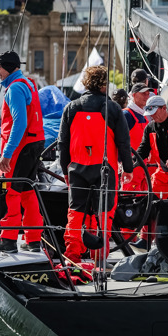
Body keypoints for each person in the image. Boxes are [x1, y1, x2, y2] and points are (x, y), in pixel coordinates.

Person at [57, 65, 134, 264]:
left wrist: (65, 168)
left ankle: (72, 257)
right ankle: (99, 259)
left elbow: (62, 144)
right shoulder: (114, 109)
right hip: (105, 169)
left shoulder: (71, 108)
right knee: (104, 214)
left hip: (77, 168)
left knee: (75, 213)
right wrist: (128, 169)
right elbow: (124, 143)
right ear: (103, 85)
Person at [0, 51, 47, 254]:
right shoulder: (29, 83)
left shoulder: (14, 89)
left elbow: (20, 123)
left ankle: (7, 240)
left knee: (9, 192)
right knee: (28, 191)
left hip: (20, 147)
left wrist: (7, 153)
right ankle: (33, 240)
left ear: (7, 67)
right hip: (35, 143)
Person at [135, 95, 168, 199]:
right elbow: (143, 148)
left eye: (154, 113)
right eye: (150, 114)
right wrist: (132, 161)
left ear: (164, 108)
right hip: (163, 172)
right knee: (154, 200)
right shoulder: (150, 128)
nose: (152, 116)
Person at [122, 83, 154, 194]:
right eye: (143, 93)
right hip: (131, 168)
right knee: (130, 200)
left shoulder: (144, 116)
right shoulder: (127, 115)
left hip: (143, 169)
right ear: (134, 95)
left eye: (148, 93)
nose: (147, 96)